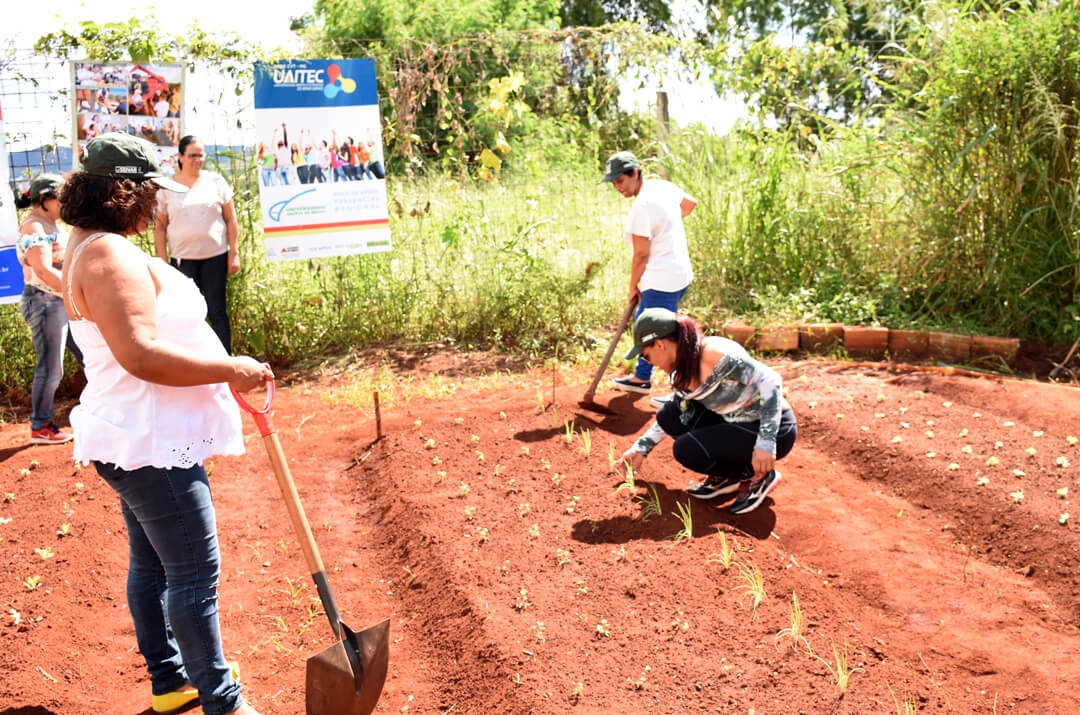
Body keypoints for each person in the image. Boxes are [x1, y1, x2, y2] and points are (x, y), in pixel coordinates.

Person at [59, 132, 269, 715]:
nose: (156, 200)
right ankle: (223, 703)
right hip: (149, 439)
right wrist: (230, 368)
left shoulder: (89, 243)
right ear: (123, 191)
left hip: (135, 432)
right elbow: (141, 354)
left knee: (153, 566)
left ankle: (172, 683)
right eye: (150, 188)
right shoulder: (106, 254)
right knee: (193, 573)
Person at [618, 308, 797, 515]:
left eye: (646, 356)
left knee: (686, 449)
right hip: (734, 422)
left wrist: (766, 442)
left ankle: (758, 476)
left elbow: (771, 380)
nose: (648, 362)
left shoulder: (713, 354)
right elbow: (679, 410)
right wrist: (641, 448)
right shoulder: (681, 371)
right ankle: (727, 476)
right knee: (669, 414)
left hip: (774, 429)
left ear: (660, 344)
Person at [602, 151, 696, 397]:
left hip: (661, 280)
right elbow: (690, 204)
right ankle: (642, 378)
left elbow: (641, 255)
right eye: (613, 183)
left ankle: (682, 390)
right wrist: (667, 224)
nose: (618, 188)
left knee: (660, 335)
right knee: (646, 325)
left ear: (635, 172)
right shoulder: (662, 188)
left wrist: (632, 286)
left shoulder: (641, 207)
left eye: (620, 181)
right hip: (679, 274)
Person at [154, 135, 240, 353]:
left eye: (201, 155)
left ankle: (225, 363)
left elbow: (231, 219)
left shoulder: (216, 182)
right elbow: (160, 227)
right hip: (183, 262)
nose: (197, 160)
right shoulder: (168, 188)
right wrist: (163, 262)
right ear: (181, 157)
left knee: (217, 311)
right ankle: (195, 366)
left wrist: (234, 253)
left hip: (215, 258)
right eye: (192, 155)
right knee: (186, 315)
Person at [14, 174, 79, 444]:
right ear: (44, 200)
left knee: (90, 355)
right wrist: (74, 292)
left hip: (59, 301)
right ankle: (40, 425)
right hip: (44, 302)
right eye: (61, 198)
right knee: (51, 368)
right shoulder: (33, 229)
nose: (66, 204)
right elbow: (42, 269)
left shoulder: (50, 224)